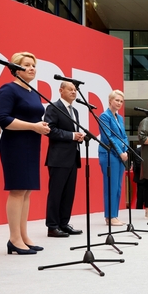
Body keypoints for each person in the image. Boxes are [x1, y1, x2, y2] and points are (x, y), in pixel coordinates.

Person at [0, 52, 51, 253]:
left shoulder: (34, 92)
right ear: (15, 68)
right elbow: (2, 118)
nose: (32, 68)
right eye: (27, 65)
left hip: (31, 144)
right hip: (15, 145)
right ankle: (14, 238)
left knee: (26, 191)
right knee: (18, 190)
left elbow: (33, 118)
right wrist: (33, 126)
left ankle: (24, 235)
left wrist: (40, 126)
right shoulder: (9, 89)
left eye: (34, 65)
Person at [44, 81, 84, 235]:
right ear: (61, 90)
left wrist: (78, 137)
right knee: (56, 193)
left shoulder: (75, 111)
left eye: (75, 90)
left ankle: (64, 223)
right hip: (58, 157)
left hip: (72, 157)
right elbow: (50, 130)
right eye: (70, 89)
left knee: (68, 193)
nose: (74, 92)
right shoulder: (53, 107)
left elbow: (71, 132)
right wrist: (72, 135)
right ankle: (52, 226)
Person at [98, 90, 129, 226]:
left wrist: (126, 149)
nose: (119, 103)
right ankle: (109, 216)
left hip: (121, 154)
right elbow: (108, 137)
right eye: (117, 100)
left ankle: (114, 215)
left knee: (118, 187)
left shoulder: (120, 118)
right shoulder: (104, 116)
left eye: (121, 101)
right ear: (110, 101)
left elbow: (124, 136)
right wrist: (120, 152)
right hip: (109, 154)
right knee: (111, 186)